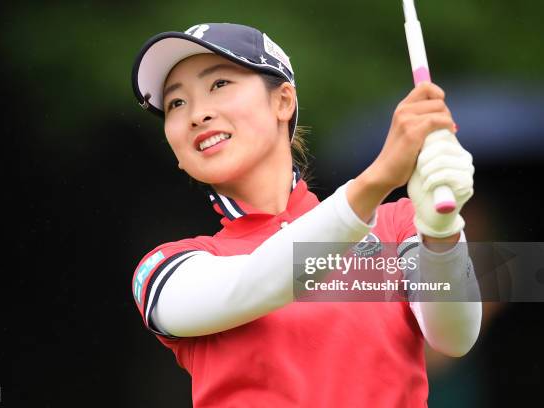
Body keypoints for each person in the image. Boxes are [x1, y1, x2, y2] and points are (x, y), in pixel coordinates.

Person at [130, 23, 481, 407]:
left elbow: (454, 336)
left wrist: (442, 231)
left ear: (283, 101)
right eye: (176, 103)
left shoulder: (399, 224)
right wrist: (379, 177)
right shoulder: (165, 268)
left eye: (219, 85)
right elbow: (254, 283)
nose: (197, 115)